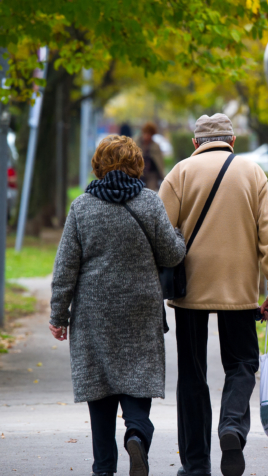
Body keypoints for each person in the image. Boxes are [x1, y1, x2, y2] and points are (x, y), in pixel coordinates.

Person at [158, 114, 268, 476]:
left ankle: (195, 464)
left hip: (189, 290)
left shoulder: (180, 173)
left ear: (195, 144)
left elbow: (158, 234)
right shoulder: (252, 174)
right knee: (243, 364)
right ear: (232, 141)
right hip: (239, 291)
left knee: (193, 374)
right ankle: (232, 425)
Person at [50, 135, 186, 476]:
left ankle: (103, 468)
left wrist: (58, 314)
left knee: (101, 389)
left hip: (94, 312)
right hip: (141, 307)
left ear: (98, 165)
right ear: (137, 165)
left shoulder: (82, 207)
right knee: (138, 381)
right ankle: (137, 434)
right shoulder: (150, 203)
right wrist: (180, 237)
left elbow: (66, 267)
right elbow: (171, 254)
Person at [138, 122, 166, 191]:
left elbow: (160, 163)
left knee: (151, 192)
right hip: (139, 174)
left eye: (149, 134)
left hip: (152, 174)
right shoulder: (136, 143)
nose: (147, 136)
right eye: (146, 133)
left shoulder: (155, 146)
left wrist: (162, 177)